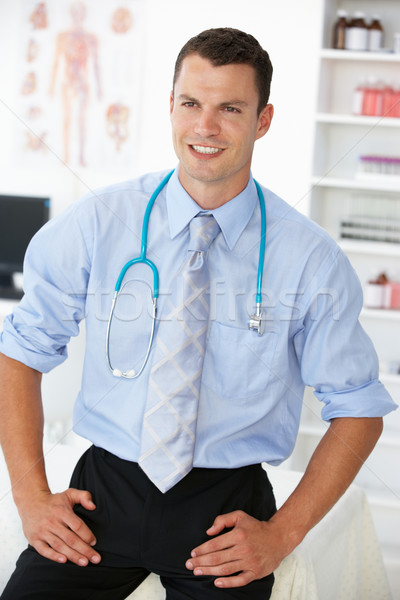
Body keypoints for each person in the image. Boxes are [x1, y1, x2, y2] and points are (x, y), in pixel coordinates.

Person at [0, 27, 396, 600]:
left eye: (230, 108)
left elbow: (359, 410)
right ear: (171, 107)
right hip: (103, 496)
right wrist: (31, 497)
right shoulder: (98, 222)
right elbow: (20, 351)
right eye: (191, 103)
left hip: (223, 513)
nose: (205, 127)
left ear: (262, 120)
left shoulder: (310, 260)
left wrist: (282, 533)